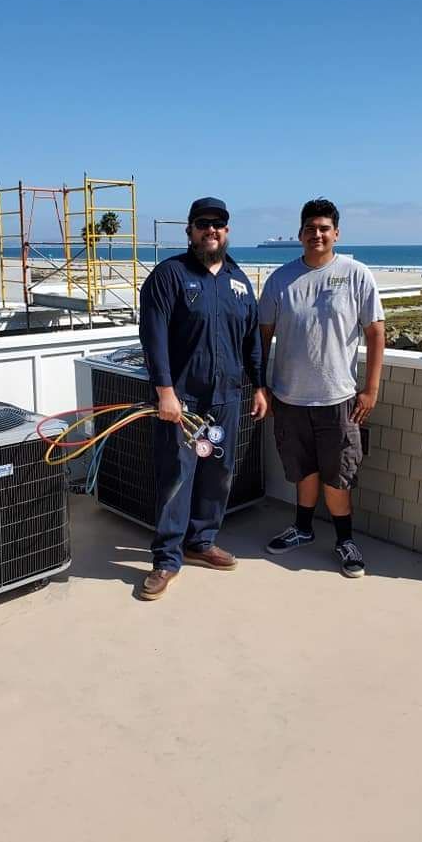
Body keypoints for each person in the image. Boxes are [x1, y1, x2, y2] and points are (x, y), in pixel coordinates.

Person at [138, 197, 268, 600]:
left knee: (219, 473)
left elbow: (251, 342)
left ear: (227, 231)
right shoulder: (169, 275)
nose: (211, 230)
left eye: (219, 224)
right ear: (190, 230)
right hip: (183, 401)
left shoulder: (240, 281)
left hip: (227, 400)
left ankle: (201, 541)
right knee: (177, 475)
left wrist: (259, 386)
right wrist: (165, 392)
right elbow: (153, 338)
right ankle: (166, 559)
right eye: (203, 223)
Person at [258, 197, 385, 577]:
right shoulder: (280, 279)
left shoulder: (356, 274)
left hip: (339, 398)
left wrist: (371, 389)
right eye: (310, 228)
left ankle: (345, 540)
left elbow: (376, 333)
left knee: (339, 473)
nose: (317, 234)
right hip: (289, 398)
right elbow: (263, 337)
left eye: (324, 228)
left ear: (336, 233)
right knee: (303, 471)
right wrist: (260, 386)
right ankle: (302, 529)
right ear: (300, 233)